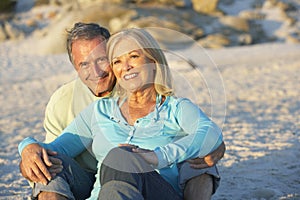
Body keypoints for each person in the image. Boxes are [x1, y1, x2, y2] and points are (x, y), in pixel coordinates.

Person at [18, 28, 224, 200]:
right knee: (50, 164)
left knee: (121, 155)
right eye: (117, 61)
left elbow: (210, 134)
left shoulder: (175, 108)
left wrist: (156, 157)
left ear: (153, 61)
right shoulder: (100, 111)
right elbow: (56, 149)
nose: (125, 67)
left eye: (134, 56)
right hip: (102, 194)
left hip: (156, 192)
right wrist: (27, 146)